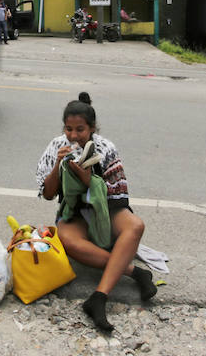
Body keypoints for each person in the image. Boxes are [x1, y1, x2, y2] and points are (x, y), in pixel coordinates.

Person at [35, 92, 156, 332]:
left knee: (136, 226)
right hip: (75, 212)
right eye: (68, 129)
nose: (73, 136)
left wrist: (89, 179)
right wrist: (59, 166)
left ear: (92, 128)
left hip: (105, 210)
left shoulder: (106, 148)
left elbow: (117, 197)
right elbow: (48, 194)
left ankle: (99, 296)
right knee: (66, 239)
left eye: (80, 129)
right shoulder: (56, 146)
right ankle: (134, 272)